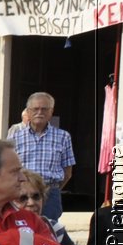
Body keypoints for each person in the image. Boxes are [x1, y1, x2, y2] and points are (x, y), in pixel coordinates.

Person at [8, 92, 74, 222]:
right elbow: (9, 169)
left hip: (50, 194)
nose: (40, 112)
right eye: (35, 109)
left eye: (44, 109)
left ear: (51, 112)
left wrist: (51, 189)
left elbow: (68, 172)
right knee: (23, 230)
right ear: (28, 112)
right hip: (22, 194)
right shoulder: (15, 137)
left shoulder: (63, 137)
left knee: (49, 231)